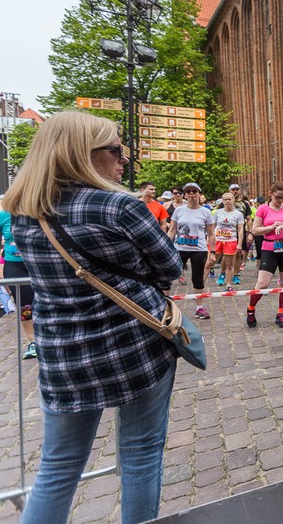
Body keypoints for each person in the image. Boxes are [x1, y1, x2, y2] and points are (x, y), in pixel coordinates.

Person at [5, 111, 181, 523]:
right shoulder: (120, 206)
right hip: (133, 346)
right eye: (116, 150)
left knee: (58, 467)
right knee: (140, 453)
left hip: (64, 353)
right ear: (83, 154)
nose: (124, 160)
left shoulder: (26, 211)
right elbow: (170, 266)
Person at [246, 183, 283, 328]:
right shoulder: (263, 209)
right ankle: (251, 309)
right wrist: (271, 227)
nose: (281, 200)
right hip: (270, 248)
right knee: (263, 283)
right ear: (271, 194)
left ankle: (281, 313)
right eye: (278, 197)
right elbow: (255, 230)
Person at [168, 182, 215, 320]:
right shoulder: (179, 211)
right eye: (188, 192)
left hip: (198, 249)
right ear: (185, 195)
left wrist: (212, 252)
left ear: (199, 194)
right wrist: (166, 246)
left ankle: (199, 308)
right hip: (179, 248)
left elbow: (211, 234)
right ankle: (166, 307)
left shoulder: (206, 212)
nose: (192, 194)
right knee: (169, 275)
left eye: (194, 191)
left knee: (197, 278)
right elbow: (172, 230)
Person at [0, 200, 36, 359]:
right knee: (25, 305)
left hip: (38, 263)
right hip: (14, 265)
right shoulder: (3, 216)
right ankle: (33, 341)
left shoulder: (37, 211)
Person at [213, 192, 245, 292]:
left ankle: (228, 284)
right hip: (218, 240)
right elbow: (213, 227)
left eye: (229, 199)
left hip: (231, 240)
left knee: (229, 264)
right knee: (211, 262)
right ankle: (202, 282)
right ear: (222, 201)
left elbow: (240, 229)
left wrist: (240, 244)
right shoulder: (217, 212)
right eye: (225, 199)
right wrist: (210, 240)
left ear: (233, 200)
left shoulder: (238, 214)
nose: (227, 201)